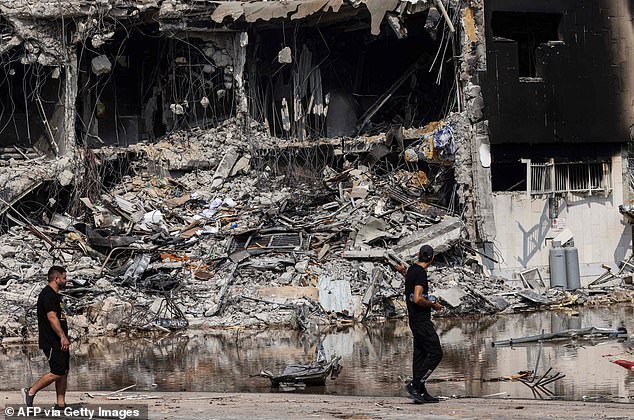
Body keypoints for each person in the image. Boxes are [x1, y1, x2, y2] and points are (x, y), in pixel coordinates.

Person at [22, 266, 70, 409]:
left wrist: (65, 336)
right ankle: (30, 391)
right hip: (52, 340)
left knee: (64, 371)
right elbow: (51, 317)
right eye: (64, 278)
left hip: (59, 340)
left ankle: (60, 404)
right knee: (57, 372)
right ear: (56, 279)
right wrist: (62, 336)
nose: (66, 281)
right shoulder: (48, 295)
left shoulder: (55, 295)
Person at [401, 245, 443, 404]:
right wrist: (433, 305)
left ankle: (420, 391)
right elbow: (418, 298)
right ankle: (415, 384)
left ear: (419, 255)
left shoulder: (412, 270)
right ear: (432, 258)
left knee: (420, 356)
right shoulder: (421, 274)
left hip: (414, 320)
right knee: (436, 353)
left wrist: (402, 271)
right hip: (421, 321)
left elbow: (410, 284)